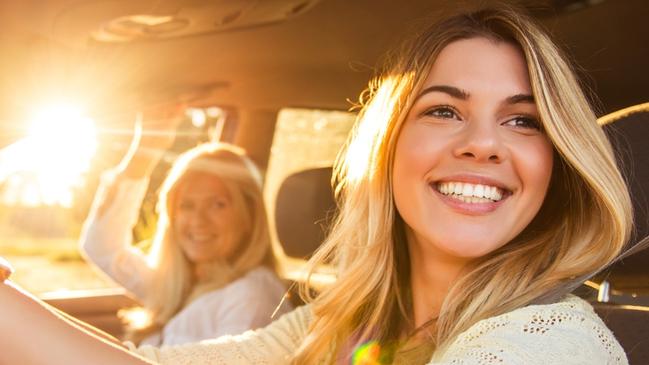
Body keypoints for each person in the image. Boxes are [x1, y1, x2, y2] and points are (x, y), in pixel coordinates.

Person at [0, 6, 634, 364]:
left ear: (556, 166)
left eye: (522, 120)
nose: (483, 142)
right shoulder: (341, 322)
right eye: (444, 110)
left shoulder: (547, 347)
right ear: (386, 153)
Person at [78, 106, 291, 345]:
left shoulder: (252, 295)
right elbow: (102, 248)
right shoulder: (177, 282)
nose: (198, 220)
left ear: (249, 215)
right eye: (186, 205)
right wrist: (145, 152)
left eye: (217, 205)